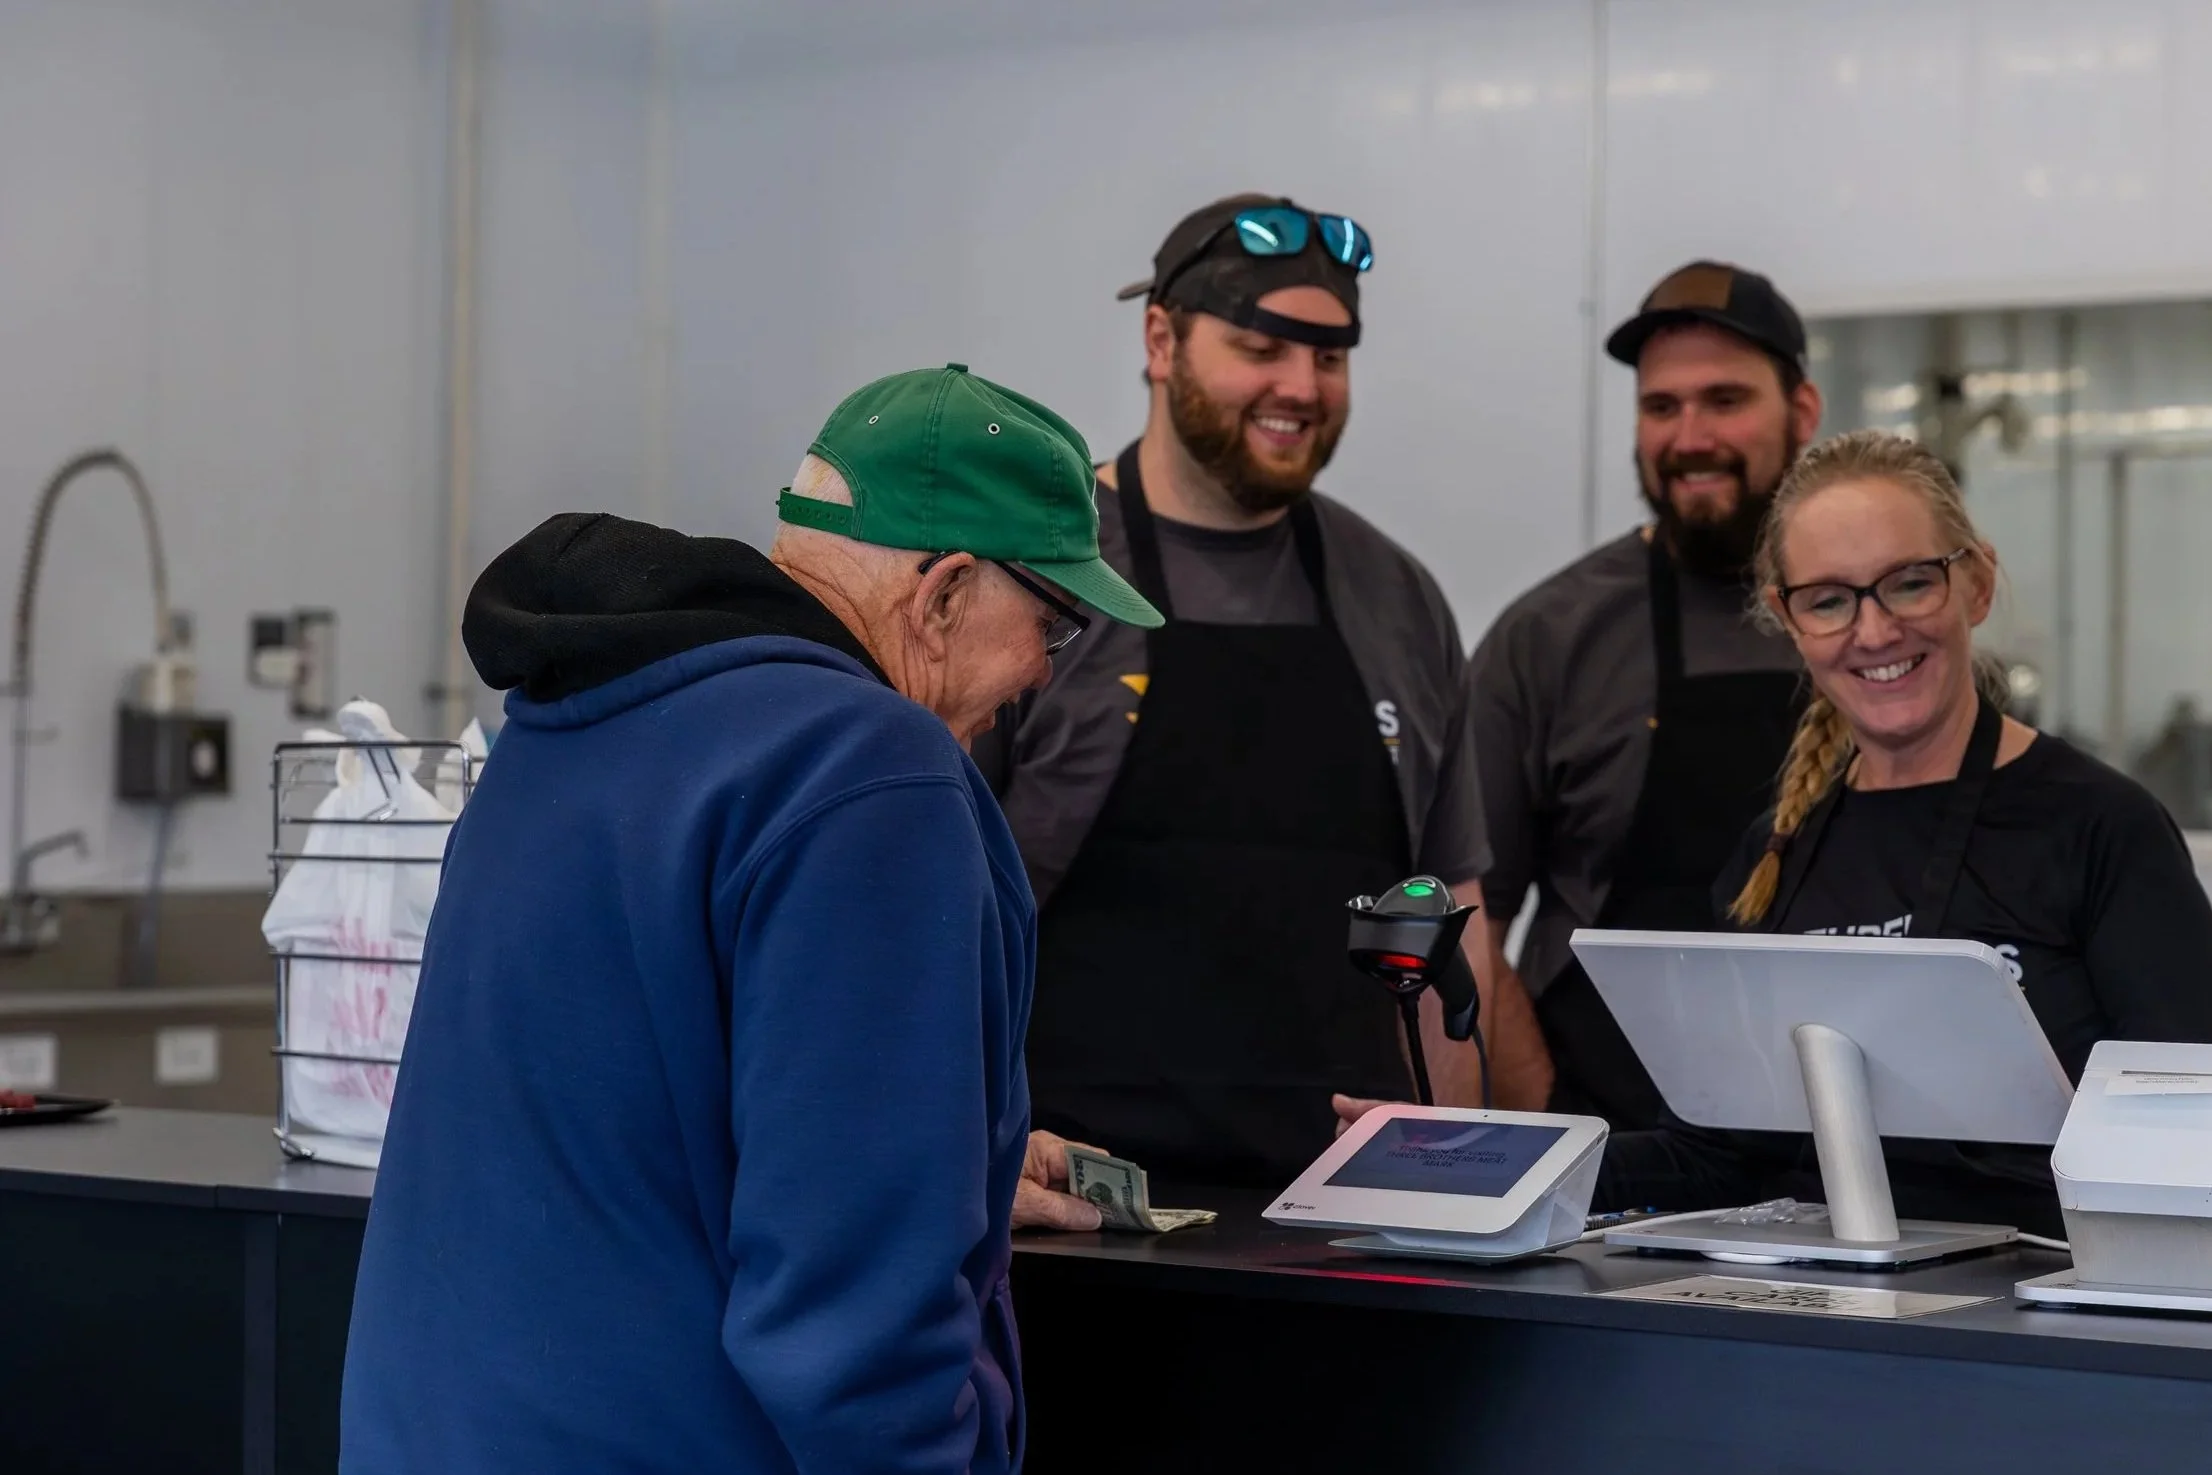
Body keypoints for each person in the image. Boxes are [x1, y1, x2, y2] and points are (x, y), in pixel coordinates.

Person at [339, 364, 1163, 1475]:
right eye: (1051, 628)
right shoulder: (872, 772)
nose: (1039, 678)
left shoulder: (570, 724)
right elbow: (851, 1323)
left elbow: (636, 1129)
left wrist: (951, 1160)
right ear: (945, 591)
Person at [974, 193, 1504, 1188]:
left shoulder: (1397, 597)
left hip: (1347, 1215)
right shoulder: (1035, 575)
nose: (1300, 386)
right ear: (1160, 340)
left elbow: (1445, 924)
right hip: (1069, 1212)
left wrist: (1462, 1187)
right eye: (1261, 347)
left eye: (1330, 357)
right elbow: (928, 915)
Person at [1598, 428, 2212, 1234]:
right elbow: (1715, 1155)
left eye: (1910, 584)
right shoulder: (1773, 854)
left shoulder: (2102, 828)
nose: (1876, 631)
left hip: (2041, 1292)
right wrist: (1503, 1159)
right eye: (1829, 600)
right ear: (1789, 619)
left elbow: (2187, 1131)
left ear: (1976, 584)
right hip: (1817, 1291)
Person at [1464, 261, 1822, 1128]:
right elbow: (1468, 921)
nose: (1690, 436)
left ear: (1803, 412)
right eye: (1662, 406)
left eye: (1725, 400)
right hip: (1605, 1141)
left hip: (1844, 1140)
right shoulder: (1549, 638)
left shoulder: (1868, 628)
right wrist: (1555, 1122)